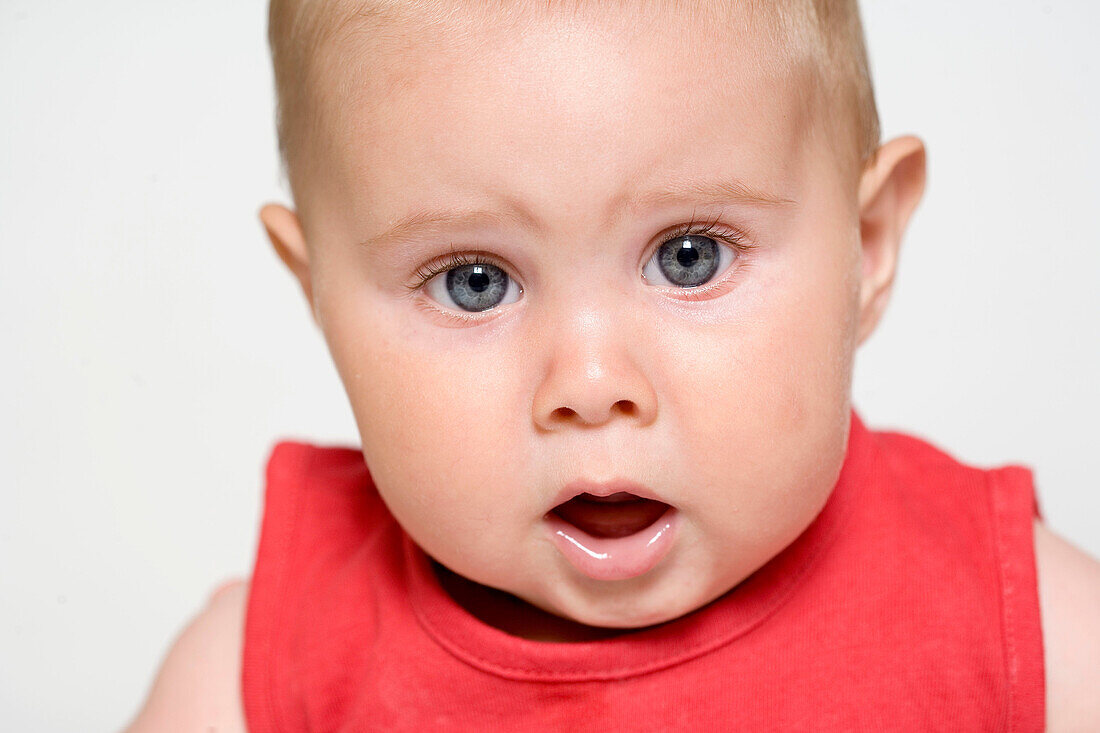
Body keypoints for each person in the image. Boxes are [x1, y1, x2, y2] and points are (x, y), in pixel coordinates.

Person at [123, 0, 1100, 730]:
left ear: (867, 241)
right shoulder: (260, 674)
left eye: (689, 256)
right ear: (317, 291)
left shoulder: (1024, 633)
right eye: (472, 281)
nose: (590, 385)